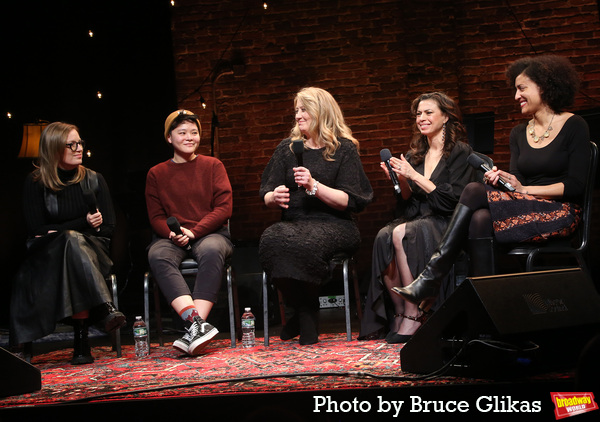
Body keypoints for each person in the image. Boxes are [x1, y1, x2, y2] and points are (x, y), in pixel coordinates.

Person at [394, 55, 590, 310]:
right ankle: (490, 309)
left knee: (474, 190)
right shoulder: (520, 132)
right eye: (515, 89)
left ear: (544, 86)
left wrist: (524, 189)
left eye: (522, 88)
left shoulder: (575, 125)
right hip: (528, 206)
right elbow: (518, 180)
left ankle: (433, 275)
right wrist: (504, 180)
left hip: (561, 212)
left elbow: (576, 185)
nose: (516, 95)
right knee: (479, 219)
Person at [358, 92, 475, 344]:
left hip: (447, 221)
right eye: (418, 114)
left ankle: (415, 313)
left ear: (445, 117)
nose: (421, 118)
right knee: (383, 236)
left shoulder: (460, 152)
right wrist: (401, 179)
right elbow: (408, 202)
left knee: (402, 233)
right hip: (420, 217)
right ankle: (400, 312)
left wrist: (413, 174)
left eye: (428, 112)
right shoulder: (415, 155)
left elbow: (451, 200)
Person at [259, 87, 373, 345]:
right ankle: (306, 311)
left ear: (321, 112)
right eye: (296, 110)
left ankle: (302, 317)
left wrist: (314, 186)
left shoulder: (344, 149)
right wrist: (273, 197)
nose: (298, 116)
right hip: (294, 223)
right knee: (270, 240)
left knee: (306, 244)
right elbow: (266, 192)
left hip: (335, 225)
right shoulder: (286, 149)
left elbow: (351, 200)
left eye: (304, 110)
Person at [10, 122, 125, 365]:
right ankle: (96, 319)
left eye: (80, 143)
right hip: (48, 257)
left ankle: (83, 338)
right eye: (71, 144)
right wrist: (81, 223)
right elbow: (36, 229)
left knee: (74, 244)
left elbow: (108, 227)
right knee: (71, 241)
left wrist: (62, 230)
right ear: (53, 149)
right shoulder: (35, 182)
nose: (78, 148)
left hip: (94, 252)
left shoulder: (95, 179)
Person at [146, 110, 233, 356]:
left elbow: (224, 208)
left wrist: (194, 232)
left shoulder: (213, 165)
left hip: (209, 233)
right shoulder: (156, 173)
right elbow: (155, 217)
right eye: (182, 133)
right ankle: (197, 324)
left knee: (212, 249)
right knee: (157, 254)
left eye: (193, 132)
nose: (189, 137)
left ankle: (195, 328)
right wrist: (173, 234)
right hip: (171, 237)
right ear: (169, 137)